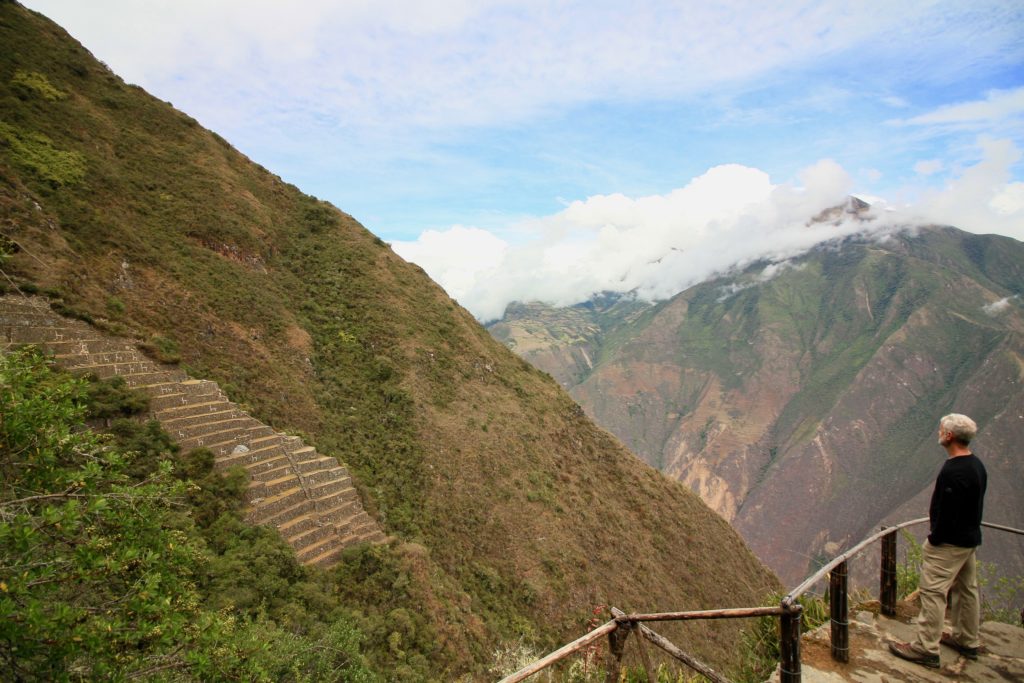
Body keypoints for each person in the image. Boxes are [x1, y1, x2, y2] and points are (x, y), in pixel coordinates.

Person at [889, 413, 988, 669]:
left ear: (949, 436)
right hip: (969, 540)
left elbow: (946, 512)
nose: (938, 433)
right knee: (967, 590)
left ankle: (925, 648)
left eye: (941, 429)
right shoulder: (976, 465)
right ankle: (967, 640)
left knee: (933, 593)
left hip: (949, 544)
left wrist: (935, 538)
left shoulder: (953, 471)